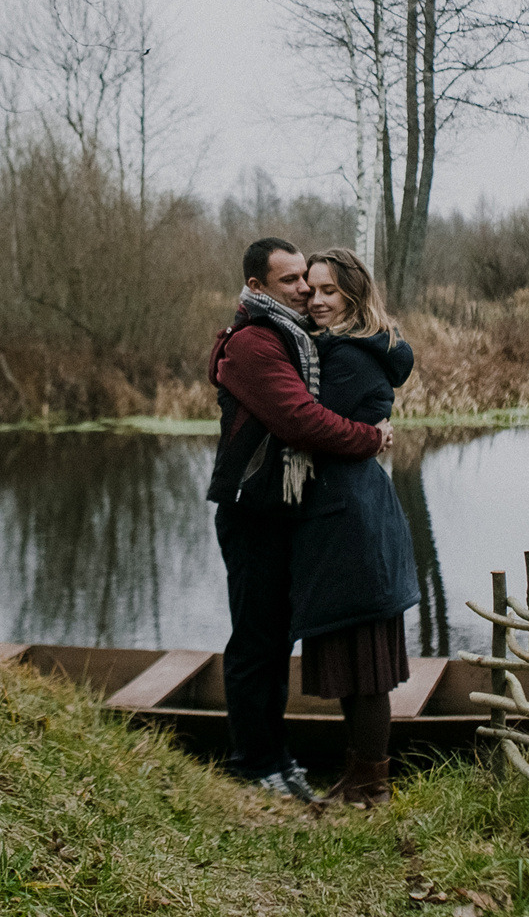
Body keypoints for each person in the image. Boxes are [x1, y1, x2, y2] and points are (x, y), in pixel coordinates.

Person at [207, 237, 392, 799]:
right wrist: (370, 437)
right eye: (290, 281)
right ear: (257, 287)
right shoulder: (255, 345)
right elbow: (300, 420)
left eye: (307, 280)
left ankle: (277, 757)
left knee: (276, 638)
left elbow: (369, 355)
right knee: (256, 640)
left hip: (280, 510)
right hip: (252, 513)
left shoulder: (295, 338)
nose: (304, 289)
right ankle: (253, 760)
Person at [292, 246, 419, 808]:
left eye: (329, 291)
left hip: (353, 524)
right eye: (311, 291)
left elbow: (306, 425)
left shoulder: (345, 357)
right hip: (348, 514)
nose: (316, 301)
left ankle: (373, 785)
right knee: (355, 658)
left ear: (353, 294)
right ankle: (359, 778)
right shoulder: (332, 347)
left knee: (366, 665)